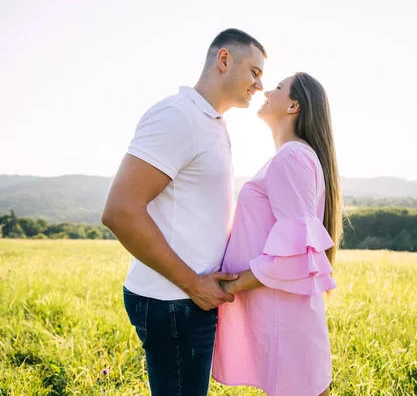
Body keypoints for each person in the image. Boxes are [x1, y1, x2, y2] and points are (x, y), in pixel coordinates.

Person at [101, 28, 266, 396]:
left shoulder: (212, 124)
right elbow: (120, 211)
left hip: (188, 299)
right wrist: (194, 284)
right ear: (224, 60)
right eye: (254, 72)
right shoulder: (178, 117)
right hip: (174, 301)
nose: (259, 85)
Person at [212, 73, 342, 396]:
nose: (267, 90)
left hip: (286, 322)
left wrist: (233, 283)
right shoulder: (293, 156)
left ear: (294, 105)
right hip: (285, 317)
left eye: (279, 88)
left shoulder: (292, 156)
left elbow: (296, 252)